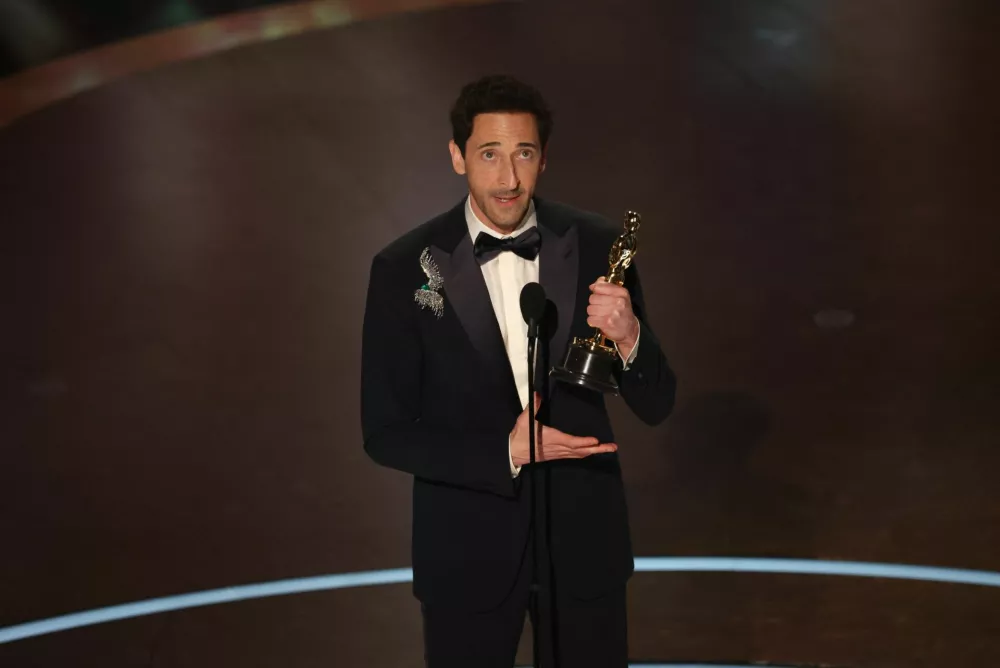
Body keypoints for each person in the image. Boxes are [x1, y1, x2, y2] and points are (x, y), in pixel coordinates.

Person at [360, 74, 676, 667]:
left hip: (583, 553)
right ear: (457, 157)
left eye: (523, 154)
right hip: (465, 555)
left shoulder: (598, 245)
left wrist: (631, 336)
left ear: (544, 158)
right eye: (489, 154)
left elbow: (657, 403)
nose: (508, 178)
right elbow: (384, 431)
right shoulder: (404, 268)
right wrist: (504, 451)